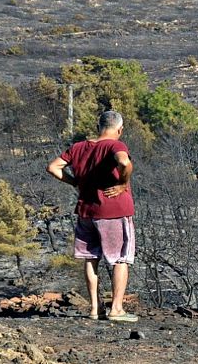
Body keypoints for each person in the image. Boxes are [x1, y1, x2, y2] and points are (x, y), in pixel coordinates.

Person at [47, 110, 138, 322]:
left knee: (90, 258)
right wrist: (122, 183)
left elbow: (53, 167)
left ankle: (95, 309)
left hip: (86, 211)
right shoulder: (115, 145)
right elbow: (124, 163)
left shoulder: (78, 147)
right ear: (120, 129)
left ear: (99, 127)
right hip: (113, 211)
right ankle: (116, 309)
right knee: (120, 259)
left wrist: (74, 182)